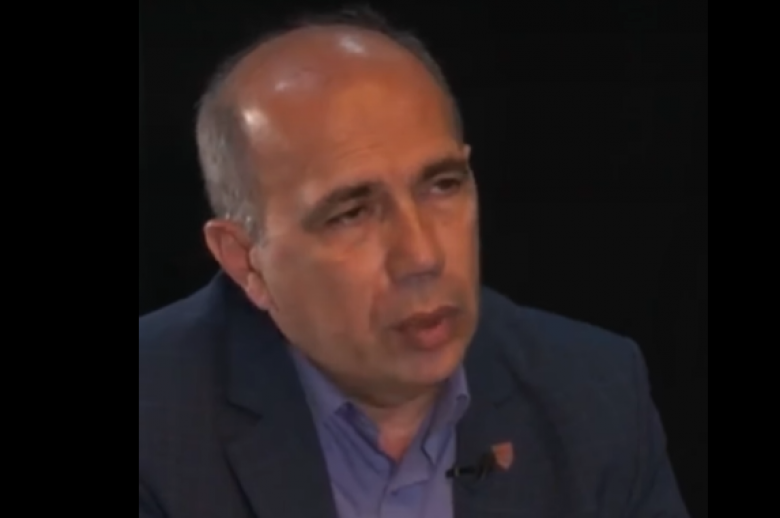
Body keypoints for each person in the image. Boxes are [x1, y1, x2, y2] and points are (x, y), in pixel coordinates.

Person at [139, 8, 690, 518]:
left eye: (442, 185)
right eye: (351, 213)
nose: (423, 256)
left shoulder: (592, 395)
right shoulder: (156, 422)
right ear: (245, 262)